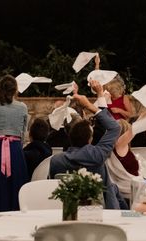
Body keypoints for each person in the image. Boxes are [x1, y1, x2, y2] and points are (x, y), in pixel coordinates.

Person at [49, 81, 127, 210]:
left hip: (68, 209)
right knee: (114, 190)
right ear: (90, 139)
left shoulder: (56, 161)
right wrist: (90, 105)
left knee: (114, 188)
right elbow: (114, 127)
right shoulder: (97, 155)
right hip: (102, 210)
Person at [0, 75, 29, 213]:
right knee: (15, 185)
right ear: (15, 90)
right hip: (15, 150)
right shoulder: (23, 108)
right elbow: (23, 134)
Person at [105, 119, 139, 203]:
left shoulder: (107, 149)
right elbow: (134, 129)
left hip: (119, 192)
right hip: (128, 193)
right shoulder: (119, 147)